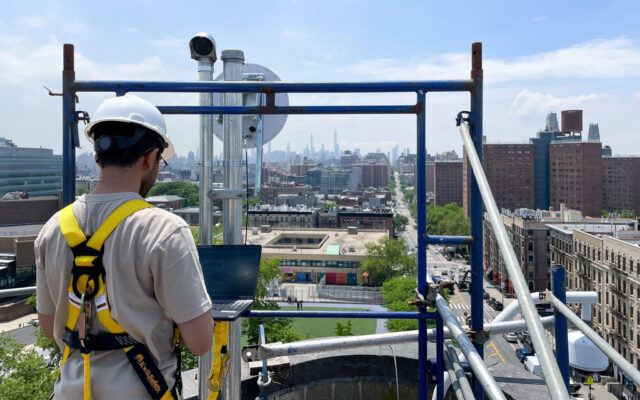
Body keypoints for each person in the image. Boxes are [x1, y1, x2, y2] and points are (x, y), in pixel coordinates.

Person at [35, 94, 214, 400]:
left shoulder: (53, 229)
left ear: (97, 157)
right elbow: (200, 342)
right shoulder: (164, 230)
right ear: (150, 157)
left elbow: (49, 324)